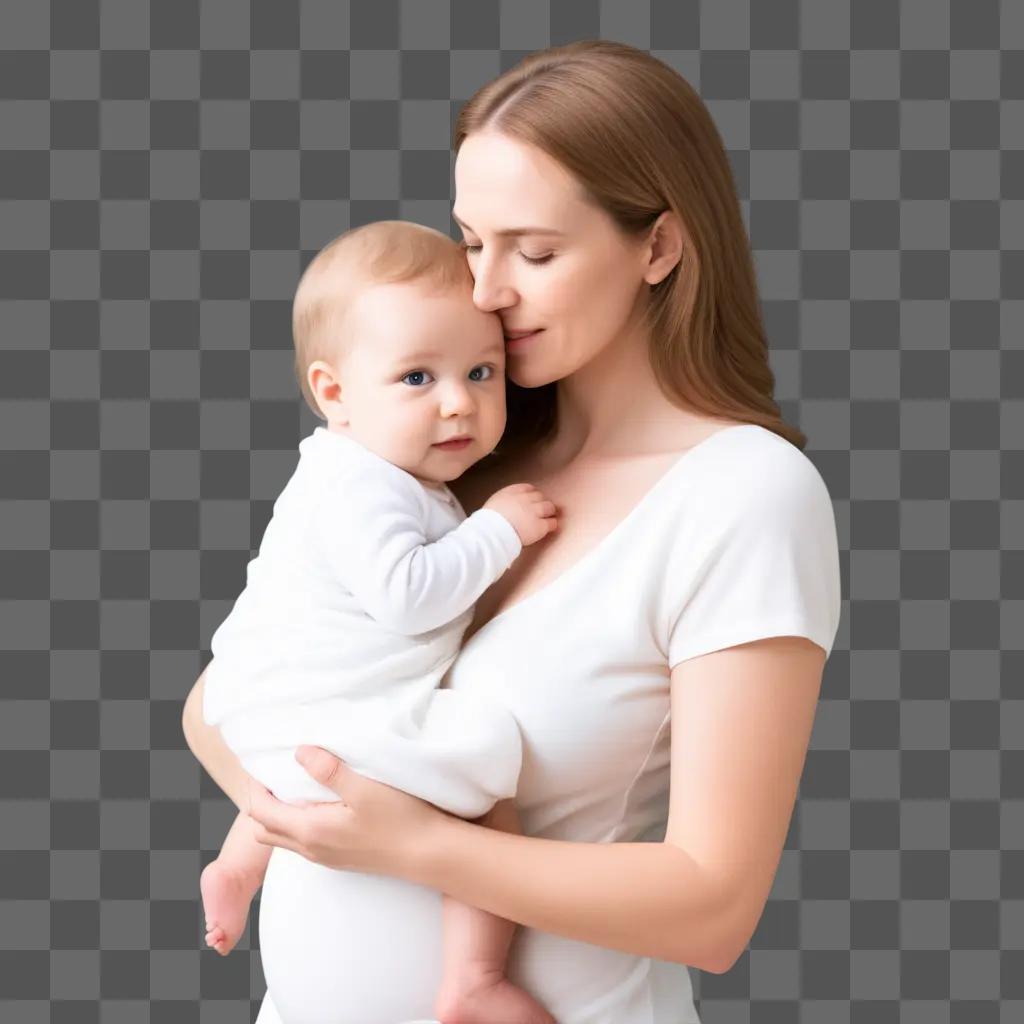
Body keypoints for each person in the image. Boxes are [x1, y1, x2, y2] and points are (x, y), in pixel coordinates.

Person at [181, 39, 842, 1024]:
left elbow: (713, 906)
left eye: (533, 252)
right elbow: (217, 701)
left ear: (657, 248)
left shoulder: (742, 495)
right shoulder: (448, 457)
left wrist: (409, 844)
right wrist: (313, 808)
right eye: (471, 242)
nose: (486, 290)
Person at [194, 219, 560, 1022]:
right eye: (417, 379)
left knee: (319, 776)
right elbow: (408, 595)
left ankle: (237, 862)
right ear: (334, 394)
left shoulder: (372, 473)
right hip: (320, 716)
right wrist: (496, 530)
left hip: (277, 714)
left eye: (481, 370)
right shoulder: (361, 484)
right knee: (489, 777)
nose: (460, 402)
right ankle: (474, 976)